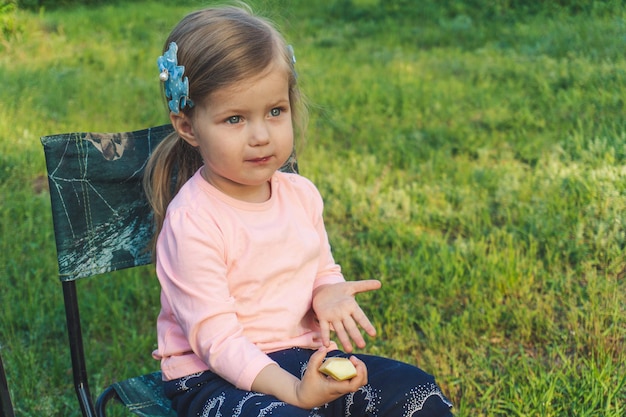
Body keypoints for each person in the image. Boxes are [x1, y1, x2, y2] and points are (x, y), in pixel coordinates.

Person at [143, 4, 454, 417]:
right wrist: (293, 391)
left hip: (301, 357)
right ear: (187, 126)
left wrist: (326, 291)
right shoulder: (194, 220)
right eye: (235, 119)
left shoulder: (301, 195)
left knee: (416, 391)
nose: (261, 136)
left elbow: (319, 266)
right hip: (213, 379)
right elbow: (216, 341)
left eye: (275, 112)